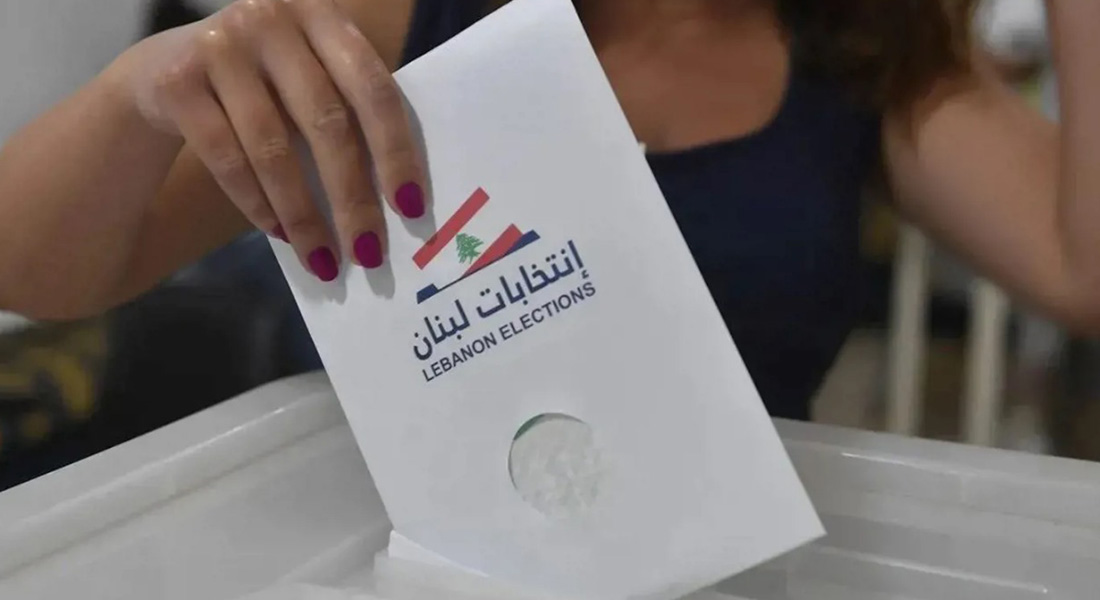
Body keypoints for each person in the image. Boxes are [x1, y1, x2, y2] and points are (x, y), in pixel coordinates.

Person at [1, 0, 1098, 422]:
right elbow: (38, 270)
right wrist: (140, 93)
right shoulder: (394, 14)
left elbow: (1079, 271)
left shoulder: (867, 44)